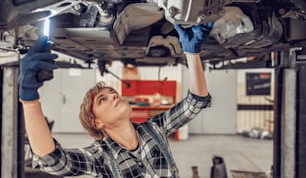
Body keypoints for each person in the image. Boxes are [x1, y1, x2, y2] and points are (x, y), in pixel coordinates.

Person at [19, 22, 214, 177]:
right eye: (102, 99)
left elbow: (195, 102)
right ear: (97, 122)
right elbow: (55, 161)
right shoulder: (100, 156)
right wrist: (29, 101)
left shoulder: (155, 127)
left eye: (113, 92)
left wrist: (192, 53)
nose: (114, 95)